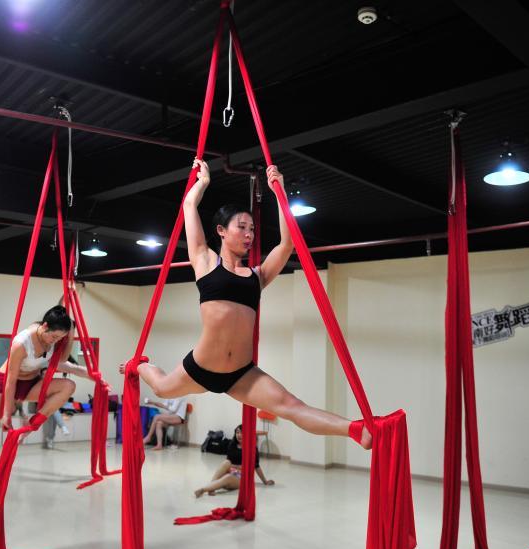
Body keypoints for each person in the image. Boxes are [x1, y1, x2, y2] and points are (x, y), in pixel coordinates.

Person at [122, 160, 374, 449]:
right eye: (241, 227)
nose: (249, 234)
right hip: (201, 367)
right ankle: (139, 365)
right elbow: (189, 206)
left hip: (240, 374)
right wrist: (202, 183)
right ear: (221, 230)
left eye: (252, 229)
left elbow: (286, 245)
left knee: (292, 406)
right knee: (161, 387)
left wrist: (279, 193)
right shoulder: (205, 261)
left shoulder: (257, 276)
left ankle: (356, 430)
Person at [0, 305, 98, 484]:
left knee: (68, 386)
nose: (55, 341)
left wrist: (99, 379)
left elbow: (66, 362)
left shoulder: (53, 340)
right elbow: (11, 381)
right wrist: (7, 414)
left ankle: (32, 423)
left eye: (60, 338)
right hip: (7, 382)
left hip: (31, 384)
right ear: (44, 326)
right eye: (54, 337)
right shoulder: (22, 343)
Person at [194, 424, 273, 497]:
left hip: (243, 478)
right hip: (232, 472)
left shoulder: (252, 448)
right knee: (226, 462)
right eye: (237, 432)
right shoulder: (232, 444)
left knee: (228, 476)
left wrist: (265, 481)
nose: (239, 435)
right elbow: (229, 462)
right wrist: (238, 467)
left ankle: (203, 489)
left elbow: (256, 467)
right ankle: (211, 487)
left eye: (242, 433)